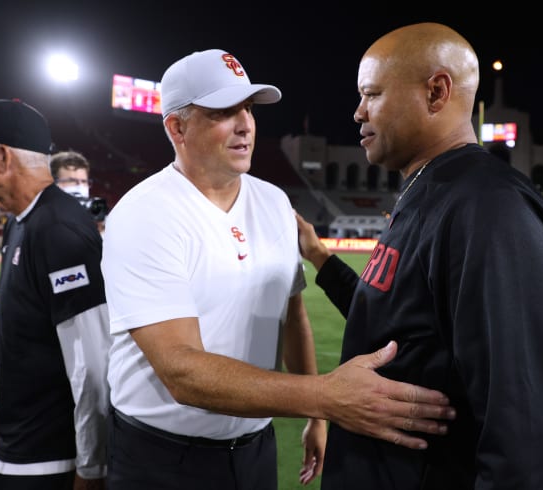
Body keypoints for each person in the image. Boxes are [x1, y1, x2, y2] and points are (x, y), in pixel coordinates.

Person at [99, 48, 456, 490]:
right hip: (162, 457)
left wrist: (315, 418)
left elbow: (292, 319)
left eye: (248, 108)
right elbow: (181, 371)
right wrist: (325, 397)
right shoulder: (144, 213)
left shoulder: (272, 202)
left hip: (254, 449)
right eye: (223, 112)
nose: (245, 124)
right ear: (177, 127)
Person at [295, 22, 543, 489]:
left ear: (437, 92)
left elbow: (523, 433)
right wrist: (319, 257)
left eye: (373, 94)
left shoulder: (489, 207)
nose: (358, 111)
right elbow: (396, 321)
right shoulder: (431, 188)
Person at [0, 99, 111, 489]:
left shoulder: (59, 230)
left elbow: (93, 367)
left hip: (50, 461)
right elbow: (15, 331)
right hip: (18, 445)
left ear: (4, 157)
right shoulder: (20, 224)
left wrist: (90, 470)